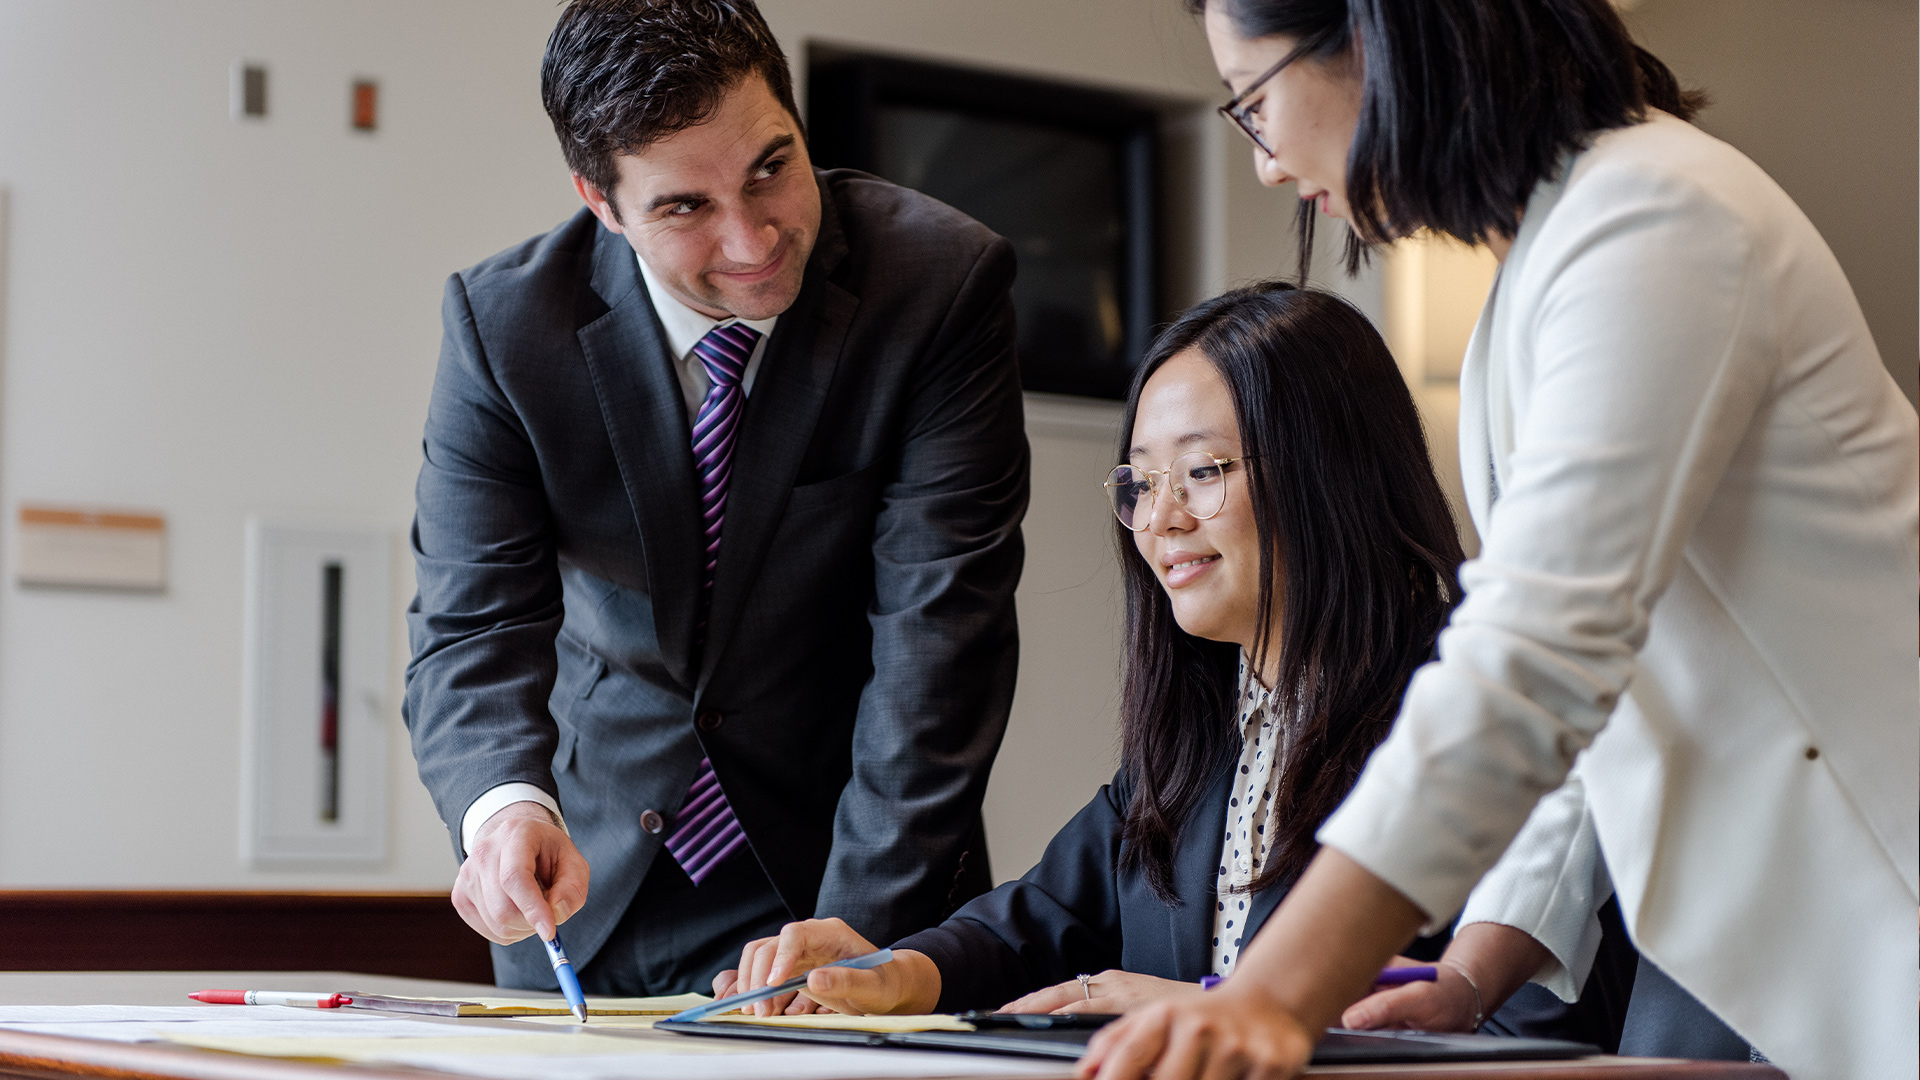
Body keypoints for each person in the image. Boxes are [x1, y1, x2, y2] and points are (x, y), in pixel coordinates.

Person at [1078, 2, 1917, 1079]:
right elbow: (1607, 696)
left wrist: (1282, 991)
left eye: (1253, 105)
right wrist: (1471, 975)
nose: (1268, 165)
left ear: (1375, 40)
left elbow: (1537, 656)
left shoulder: (1655, 216)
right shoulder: (1547, 272)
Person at [403, 0, 1028, 997]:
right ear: (600, 201)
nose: (753, 240)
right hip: (587, 894)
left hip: (848, 866)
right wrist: (506, 808)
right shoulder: (507, 330)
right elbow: (472, 624)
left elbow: (941, 633)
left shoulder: (938, 287)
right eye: (686, 207)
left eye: (771, 168)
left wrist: (860, 928)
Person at [710, 282, 1480, 1019]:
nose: (1158, 519)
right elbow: (1033, 924)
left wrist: (1220, 1008)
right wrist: (884, 972)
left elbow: (1507, 1011)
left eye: (1203, 471)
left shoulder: (1479, 711)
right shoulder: (1204, 734)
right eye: (1141, 483)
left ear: (1333, 469)